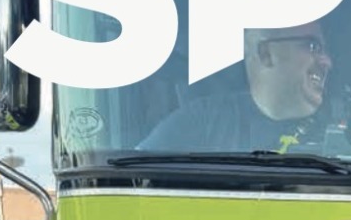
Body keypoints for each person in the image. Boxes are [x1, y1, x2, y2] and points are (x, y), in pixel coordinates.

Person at [140, 22, 333, 153]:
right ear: (266, 53)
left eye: (324, 50)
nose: (326, 62)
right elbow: (133, 179)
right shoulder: (205, 121)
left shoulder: (344, 130)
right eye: (312, 46)